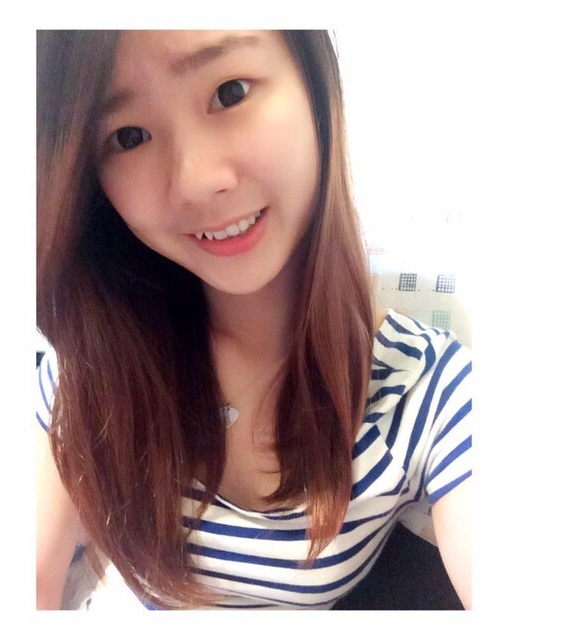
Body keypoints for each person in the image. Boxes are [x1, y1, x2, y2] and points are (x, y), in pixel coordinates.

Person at [36, 30, 472, 611]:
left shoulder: (429, 389)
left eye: (231, 92)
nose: (195, 181)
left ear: (316, 88)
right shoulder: (91, 360)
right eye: (129, 136)